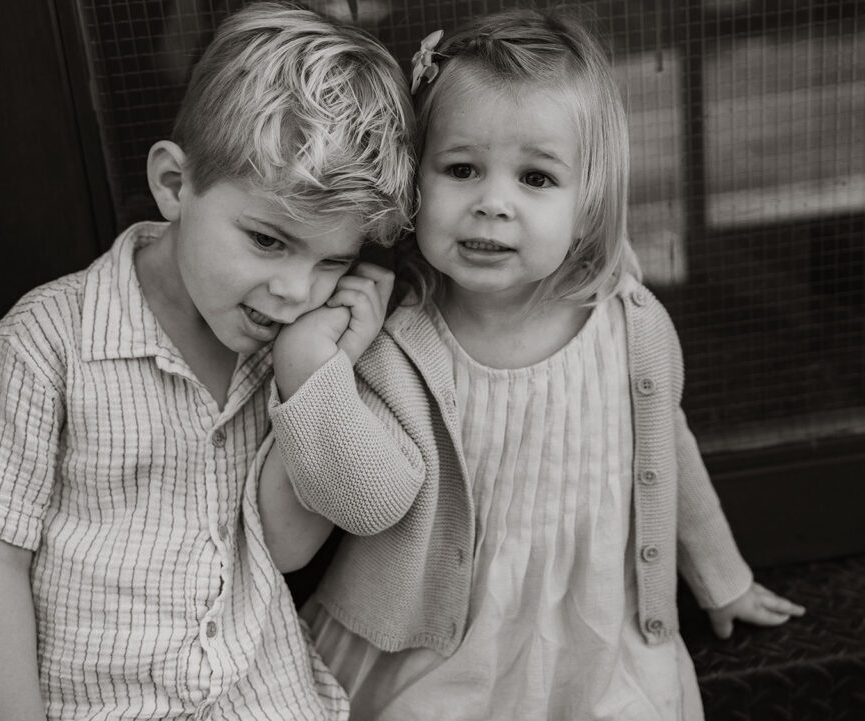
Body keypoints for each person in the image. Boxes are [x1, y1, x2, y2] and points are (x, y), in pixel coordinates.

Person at [258, 8, 805, 720]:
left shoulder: (629, 328)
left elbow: (667, 452)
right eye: (461, 169)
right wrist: (317, 377)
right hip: (436, 650)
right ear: (415, 182)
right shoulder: (398, 345)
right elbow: (360, 495)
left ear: (589, 200)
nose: (493, 203)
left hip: (595, 644)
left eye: (536, 178)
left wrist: (722, 579)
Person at [0, 3, 415, 719]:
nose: (295, 290)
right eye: (267, 240)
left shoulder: (295, 342)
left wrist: (314, 381)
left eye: (332, 260)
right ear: (175, 185)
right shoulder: (42, 346)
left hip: (257, 698)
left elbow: (282, 549)